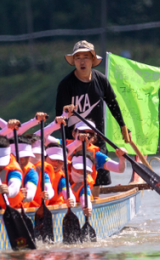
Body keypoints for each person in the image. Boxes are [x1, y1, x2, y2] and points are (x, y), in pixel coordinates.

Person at [54, 40, 129, 186]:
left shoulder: (101, 80)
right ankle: (77, 203)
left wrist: (123, 126)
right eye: (78, 58)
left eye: (86, 57)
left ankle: (94, 204)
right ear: (74, 61)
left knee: (97, 180)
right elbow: (58, 117)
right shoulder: (66, 84)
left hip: (97, 139)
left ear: (92, 60)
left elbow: (113, 104)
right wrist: (65, 112)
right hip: (74, 141)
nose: (82, 62)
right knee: (76, 178)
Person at [64, 121, 128, 215]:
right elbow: (40, 139)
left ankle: (87, 208)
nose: (85, 135)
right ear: (74, 133)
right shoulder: (62, 145)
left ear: (93, 138)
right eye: (82, 132)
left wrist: (122, 159)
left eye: (90, 133)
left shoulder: (97, 155)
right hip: (61, 193)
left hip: (83, 193)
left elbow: (119, 169)